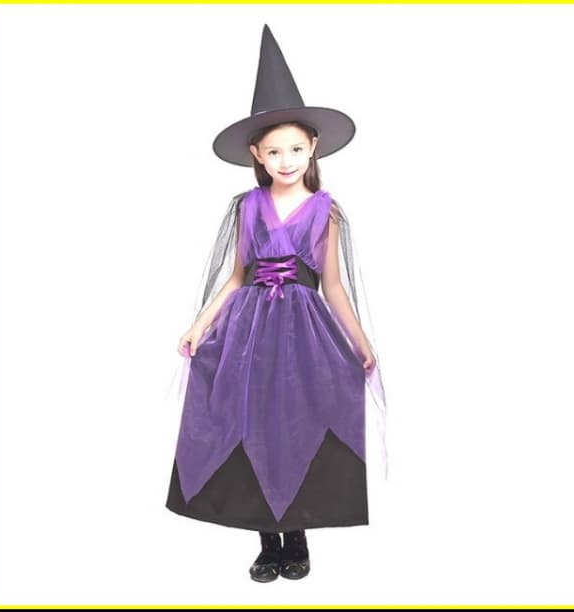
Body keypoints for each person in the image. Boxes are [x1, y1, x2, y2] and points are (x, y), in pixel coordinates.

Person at [165, 23, 389, 583]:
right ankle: (268, 542)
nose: (285, 159)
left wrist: (361, 342)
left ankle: (299, 537)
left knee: (298, 423)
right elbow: (235, 277)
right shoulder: (247, 207)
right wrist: (198, 325)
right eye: (273, 151)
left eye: (295, 148)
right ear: (257, 155)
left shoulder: (326, 212)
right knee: (252, 424)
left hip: (305, 338)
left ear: (312, 147)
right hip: (248, 337)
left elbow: (333, 286)